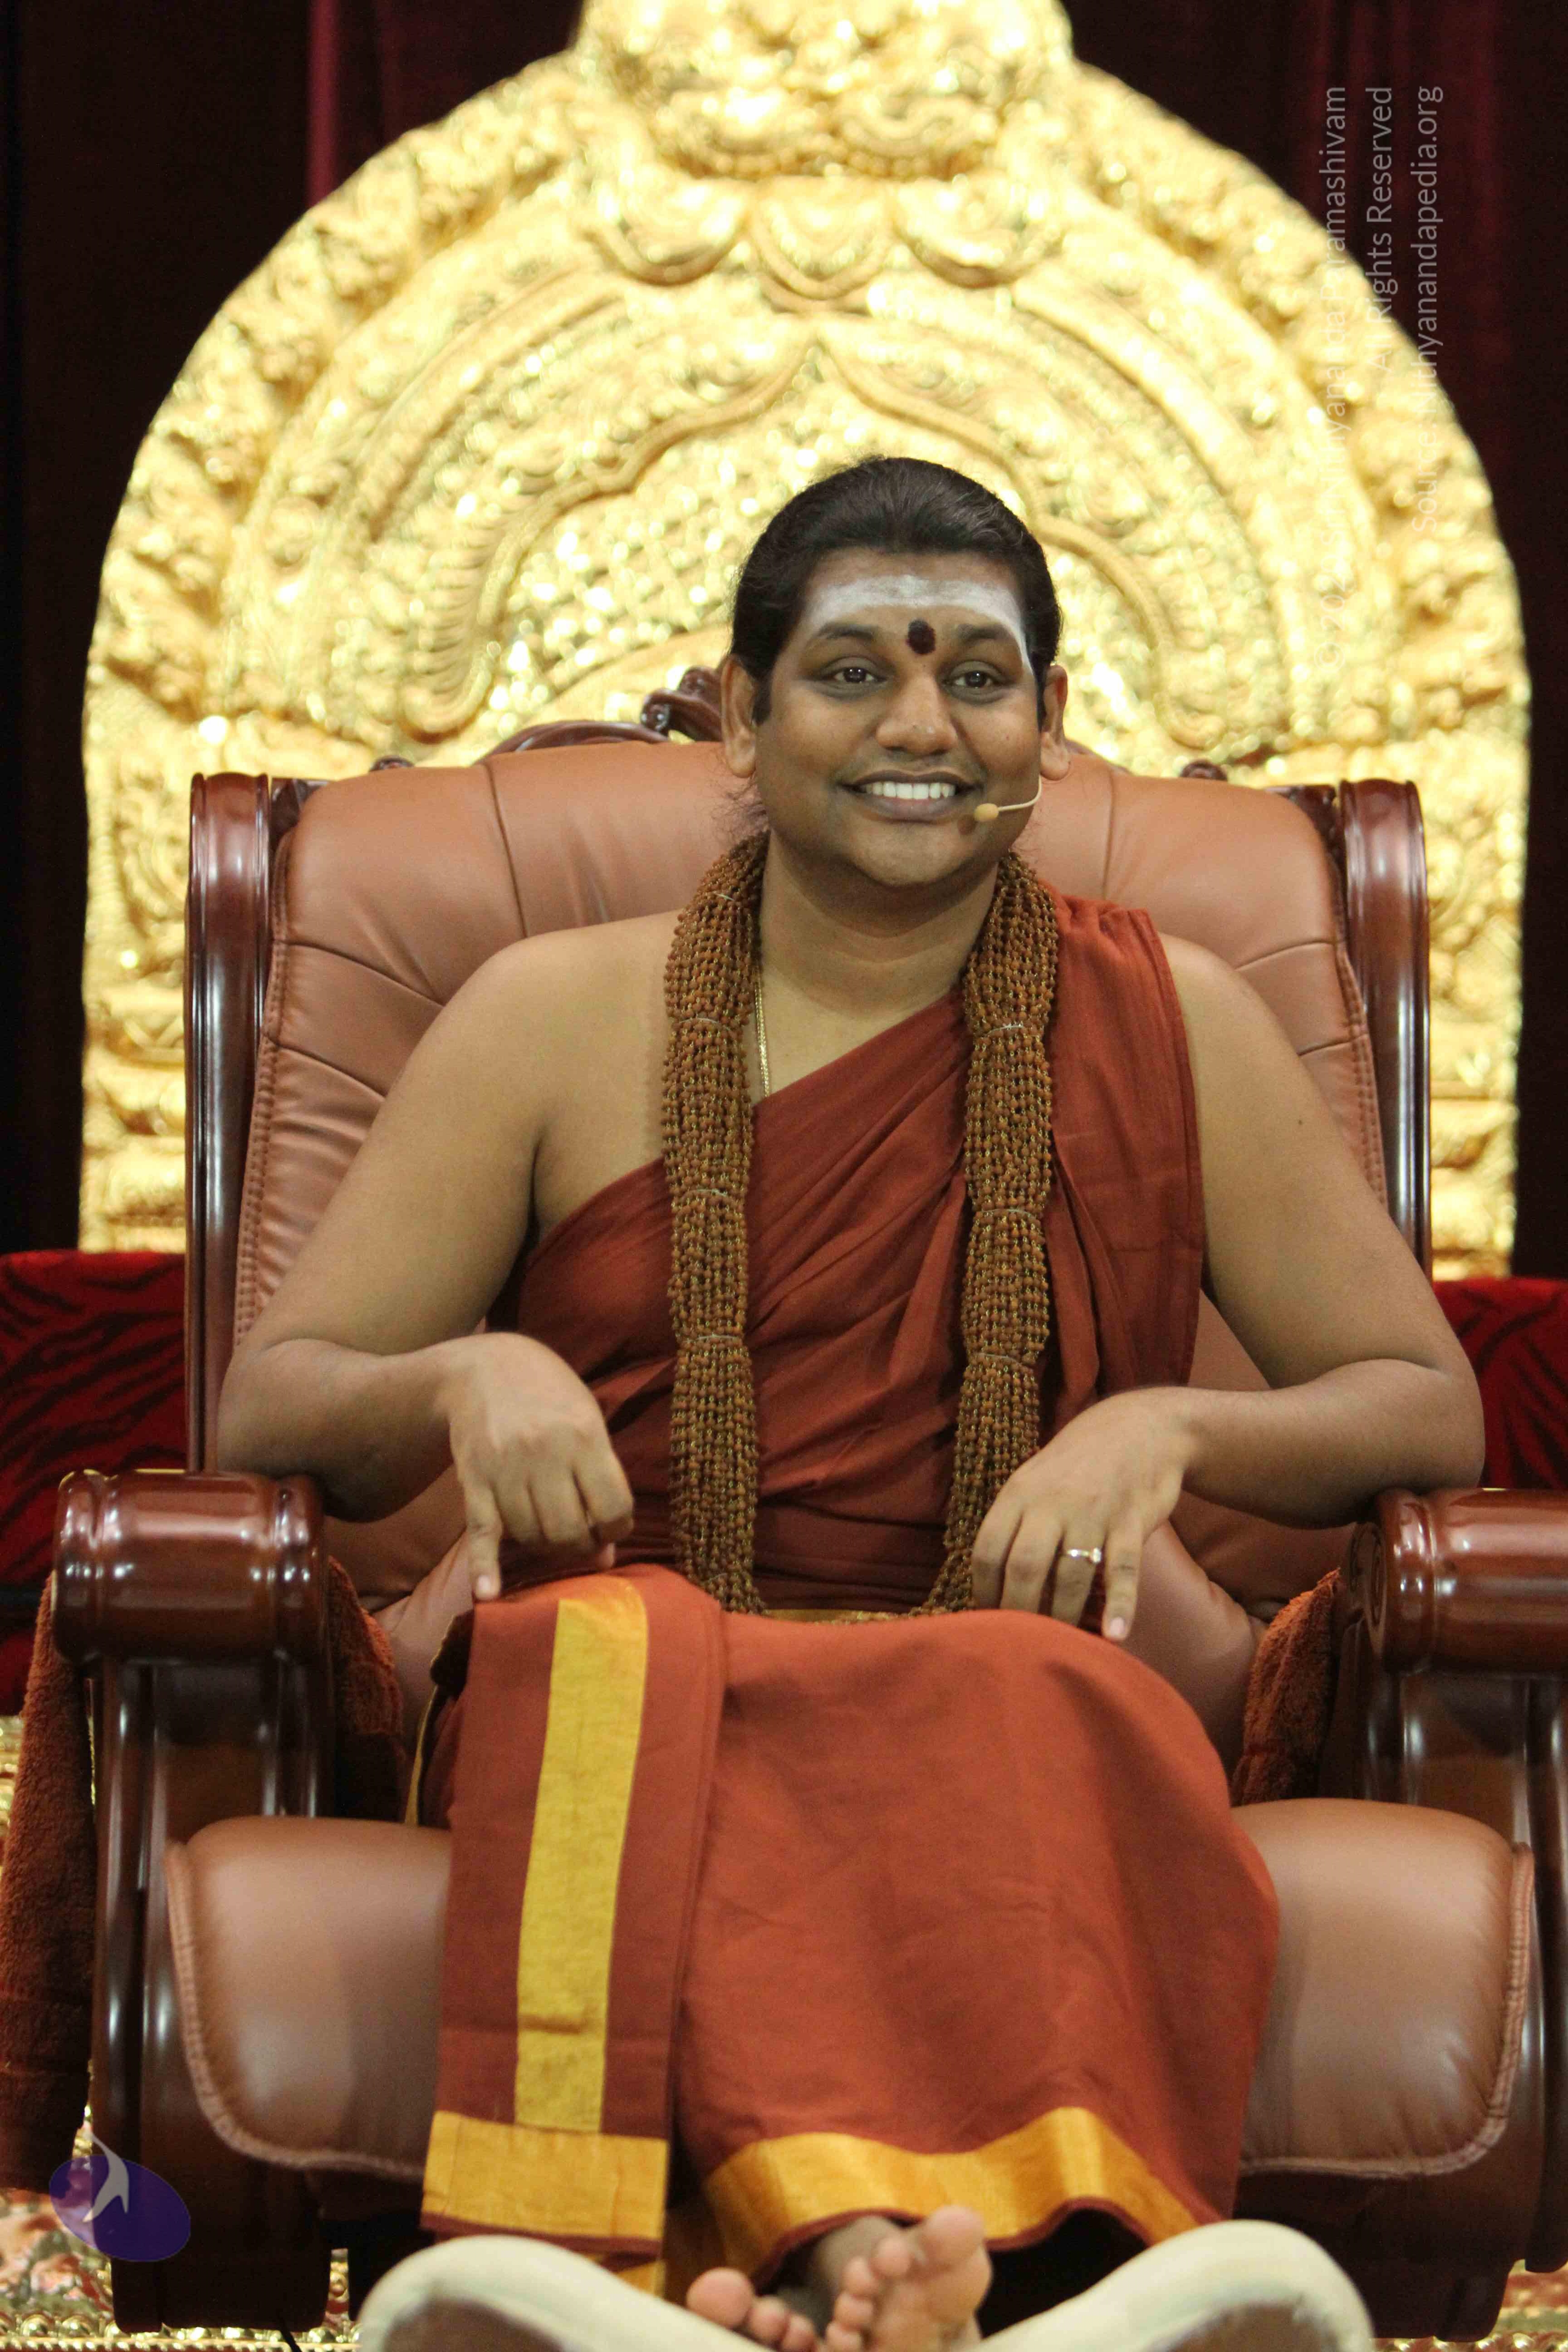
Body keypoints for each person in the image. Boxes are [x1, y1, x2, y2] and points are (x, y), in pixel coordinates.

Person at [217, 459, 1481, 2352]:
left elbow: (1425, 1408)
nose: (920, 727)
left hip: (1000, 1655)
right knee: (629, 1669)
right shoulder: (551, 1015)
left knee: (1041, 1689)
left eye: (977, 676)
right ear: (741, 716)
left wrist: (1169, 1428)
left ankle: (808, 2288)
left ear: (1049, 727)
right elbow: (275, 1408)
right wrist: (468, 1371)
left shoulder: (1179, 1020)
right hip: (628, 1649)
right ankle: (898, 2285)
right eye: (851, 673)